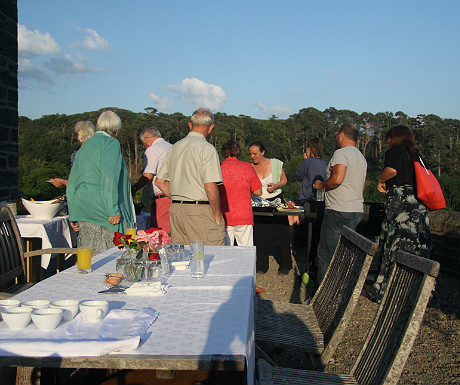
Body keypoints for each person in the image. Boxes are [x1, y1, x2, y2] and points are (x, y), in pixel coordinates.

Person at [371, 125, 432, 301]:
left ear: (394, 139)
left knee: (395, 243)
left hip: (400, 205)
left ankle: (386, 287)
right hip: (417, 206)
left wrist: (380, 181)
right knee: (417, 245)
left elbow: (392, 170)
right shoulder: (417, 157)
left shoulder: (394, 153)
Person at [67, 111, 135, 253]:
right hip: (104, 215)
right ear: (116, 130)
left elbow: (72, 183)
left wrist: (73, 214)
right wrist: (112, 210)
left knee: (90, 259)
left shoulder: (85, 146)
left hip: (84, 211)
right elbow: (109, 178)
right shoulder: (111, 143)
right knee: (109, 261)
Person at [155, 108, 225, 245]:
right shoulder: (207, 149)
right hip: (199, 211)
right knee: (210, 256)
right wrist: (217, 214)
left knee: (182, 260)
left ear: (190, 125)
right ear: (211, 127)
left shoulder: (174, 147)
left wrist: (178, 197)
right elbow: (210, 186)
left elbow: (159, 181)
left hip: (176, 210)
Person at [313, 123, 367, 284]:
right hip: (356, 210)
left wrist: (321, 185)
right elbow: (362, 185)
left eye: (337, 135)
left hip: (337, 210)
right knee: (345, 254)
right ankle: (341, 291)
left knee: (327, 255)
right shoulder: (361, 157)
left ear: (341, 134)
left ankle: (322, 296)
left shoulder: (341, 153)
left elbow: (337, 178)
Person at [249, 141, 292, 275]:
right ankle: (261, 265)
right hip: (258, 203)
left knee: (282, 231)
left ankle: (285, 265)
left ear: (263, 152)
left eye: (255, 154)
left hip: (276, 200)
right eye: (250, 154)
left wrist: (276, 186)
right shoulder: (249, 167)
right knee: (259, 233)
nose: (252, 156)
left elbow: (284, 179)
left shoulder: (276, 164)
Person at [219, 139, 262, 246]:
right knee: (246, 252)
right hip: (244, 216)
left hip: (224, 215)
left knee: (225, 253)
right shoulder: (247, 167)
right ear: (238, 151)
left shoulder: (218, 167)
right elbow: (258, 192)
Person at [131, 128, 172, 233]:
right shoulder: (172, 147)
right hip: (174, 196)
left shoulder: (153, 149)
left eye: (143, 143)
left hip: (162, 196)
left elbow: (148, 176)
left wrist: (133, 189)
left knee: (161, 234)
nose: (145, 146)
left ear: (147, 139)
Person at [48, 121, 96, 187]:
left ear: (79, 135)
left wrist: (61, 182)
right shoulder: (101, 152)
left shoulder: (77, 155)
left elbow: (76, 183)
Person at [296, 138, 327, 203]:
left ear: (310, 148)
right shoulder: (324, 163)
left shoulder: (308, 161)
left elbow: (299, 175)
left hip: (307, 197)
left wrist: (305, 160)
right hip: (320, 197)